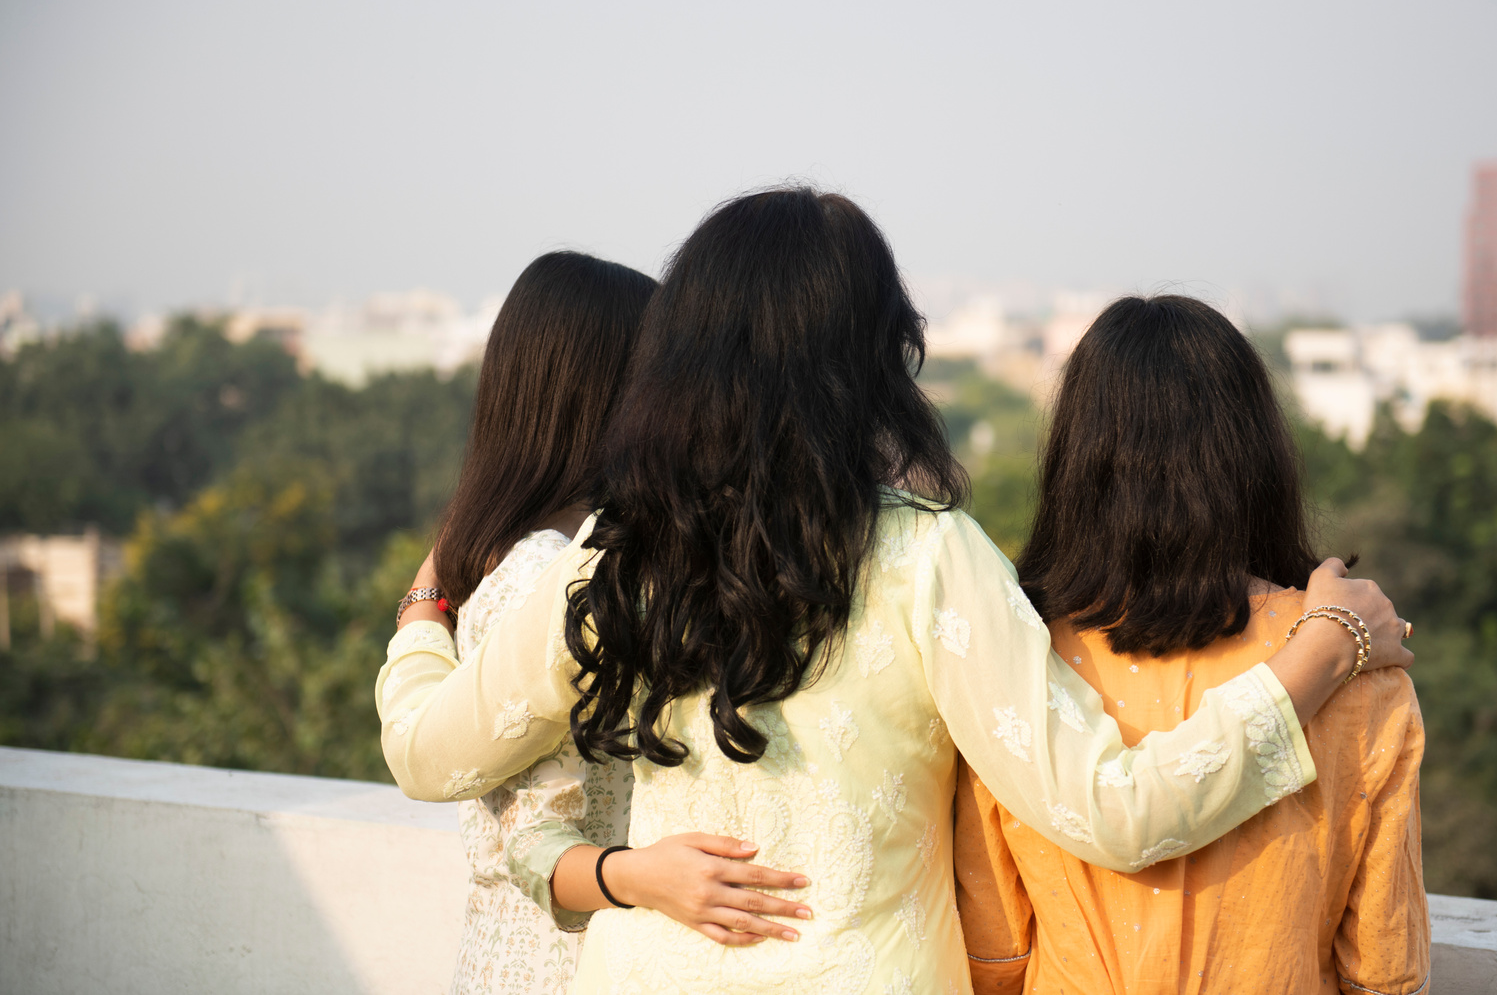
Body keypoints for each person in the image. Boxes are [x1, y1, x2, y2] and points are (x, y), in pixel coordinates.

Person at [378, 188, 1413, 994]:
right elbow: (1113, 809)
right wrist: (1314, 654)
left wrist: (424, 619)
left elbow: (427, 756)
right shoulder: (930, 560)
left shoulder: (613, 560)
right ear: (870, 356)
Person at [954, 294, 1428, 995]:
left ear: (1078, 465)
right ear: (1256, 455)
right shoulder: (1356, 665)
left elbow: (994, 955)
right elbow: (1384, 968)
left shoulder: (1019, 662)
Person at [400, 251, 802, 994]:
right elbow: (524, 839)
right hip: (556, 965)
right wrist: (651, 876)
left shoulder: (570, 559)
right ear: (609, 393)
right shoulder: (541, 574)